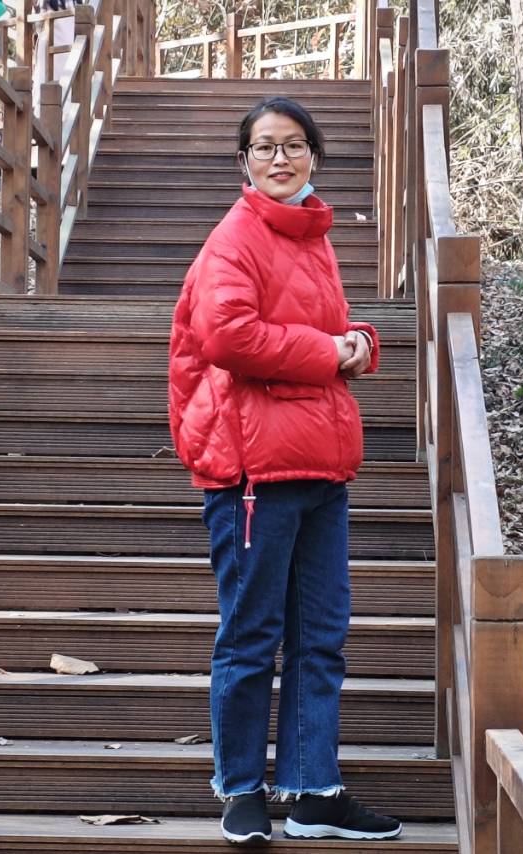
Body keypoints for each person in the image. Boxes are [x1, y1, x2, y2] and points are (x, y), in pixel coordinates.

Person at [168, 96, 402, 846]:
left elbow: (319, 329)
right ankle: (241, 789)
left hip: (319, 468)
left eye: (294, 145)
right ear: (244, 161)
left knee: (321, 637)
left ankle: (313, 790)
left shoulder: (311, 235)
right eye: (265, 146)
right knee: (251, 636)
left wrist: (359, 341)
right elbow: (228, 336)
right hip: (251, 475)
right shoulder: (234, 238)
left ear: (314, 157)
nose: (280, 158)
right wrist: (330, 351)